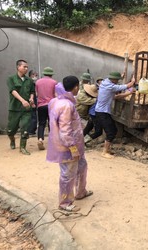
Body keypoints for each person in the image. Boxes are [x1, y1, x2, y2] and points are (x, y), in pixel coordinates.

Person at [47, 75, 93, 212]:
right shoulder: (67, 105)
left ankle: (80, 192)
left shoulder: (55, 101)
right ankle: (65, 203)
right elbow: (65, 131)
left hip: (73, 145)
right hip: (68, 146)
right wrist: (72, 148)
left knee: (82, 166)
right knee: (67, 174)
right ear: (76, 87)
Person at [95, 72, 135, 159]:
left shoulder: (105, 82)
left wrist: (128, 93)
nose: (117, 81)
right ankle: (104, 152)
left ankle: (107, 149)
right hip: (102, 112)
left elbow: (116, 97)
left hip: (102, 111)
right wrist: (133, 81)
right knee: (111, 132)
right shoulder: (110, 86)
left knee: (114, 130)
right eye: (117, 80)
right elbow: (127, 86)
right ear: (113, 80)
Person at [7, 59, 36, 155]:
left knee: (25, 128)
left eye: (27, 67)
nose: (26, 69)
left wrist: (31, 99)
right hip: (14, 108)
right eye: (24, 67)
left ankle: (23, 147)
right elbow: (13, 91)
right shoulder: (11, 79)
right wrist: (23, 100)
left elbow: (32, 92)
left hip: (26, 109)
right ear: (18, 67)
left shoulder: (30, 80)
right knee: (10, 130)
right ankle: (12, 139)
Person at [35, 67, 57, 150]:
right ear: (51, 74)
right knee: (51, 123)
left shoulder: (37, 82)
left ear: (44, 73)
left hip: (41, 105)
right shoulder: (54, 82)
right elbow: (55, 94)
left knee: (41, 123)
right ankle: (52, 142)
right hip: (51, 105)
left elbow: (37, 94)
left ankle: (40, 139)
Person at [28, 70, 39, 136]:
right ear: (31, 75)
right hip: (31, 102)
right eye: (35, 75)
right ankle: (30, 131)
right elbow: (30, 94)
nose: (35, 77)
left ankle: (32, 130)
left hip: (33, 101)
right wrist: (32, 103)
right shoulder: (30, 83)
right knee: (33, 117)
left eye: (36, 75)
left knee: (33, 116)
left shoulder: (32, 83)